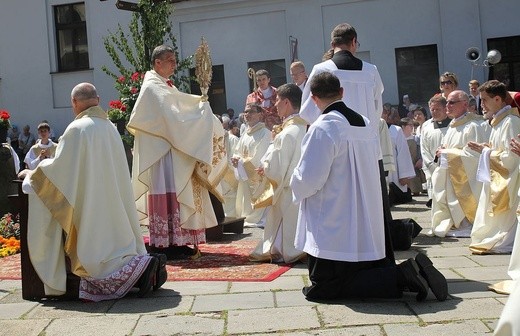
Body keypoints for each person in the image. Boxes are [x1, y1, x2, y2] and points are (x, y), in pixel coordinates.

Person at [290, 72, 447, 302]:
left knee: (324, 288)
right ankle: (403, 274)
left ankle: (402, 276)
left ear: (313, 99)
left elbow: (309, 178)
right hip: (365, 214)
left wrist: (294, 184)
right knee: (358, 269)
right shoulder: (365, 122)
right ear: (342, 92)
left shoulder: (323, 127)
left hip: (333, 218)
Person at [18, 83, 166, 301]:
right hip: (113, 201)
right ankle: (140, 267)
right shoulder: (110, 128)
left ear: (75, 103)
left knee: (95, 257)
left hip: (91, 205)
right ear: (97, 100)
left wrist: (32, 176)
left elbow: (60, 170)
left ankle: (130, 272)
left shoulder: (77, 129)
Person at [299, 22, 394, 263]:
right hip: (367, 148)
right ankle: (375, 259)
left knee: (336, 203)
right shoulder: (371, 70)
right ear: (354, 43)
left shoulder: (322, 68)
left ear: (332, 45)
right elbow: (376, 110)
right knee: (371, 205)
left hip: (333, 146)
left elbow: (308, 112)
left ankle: (337, 261)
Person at [128, 45, 227, 260]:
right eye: (170, 60)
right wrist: (198, 109)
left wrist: (201, 106)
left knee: (180, 193)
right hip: (161, 155)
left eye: (174, 59)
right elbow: (172, 114)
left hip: (172, 152)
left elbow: (178, 108)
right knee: (170, 192)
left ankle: (180, 241)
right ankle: (165, 244)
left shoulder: (165, 85)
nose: (174, 64)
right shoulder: (152, 86)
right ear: (157, 63)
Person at [249, 84, 307, 263]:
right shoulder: (308, 127)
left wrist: (265, 167)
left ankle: (285, 250)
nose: (275, 105)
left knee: (283, 226)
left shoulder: (286, 133)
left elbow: (276, 168)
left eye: (278, 101)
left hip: (287, 189)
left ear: (287, 102)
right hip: (306, 187)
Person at [467, 80, 520, 255]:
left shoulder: (511, 122)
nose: (481, 105)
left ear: (498, 99)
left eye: (484, 100)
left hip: (509, 181)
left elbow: (511, 159)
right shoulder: (499, 122)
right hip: (498, 178)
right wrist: (487, 149)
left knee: (503, 230)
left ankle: (506, 240)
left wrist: (487, 151)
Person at [428, 90, 490, 238]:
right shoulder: (453, 125)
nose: (447, 105)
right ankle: (454, 223)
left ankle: (468, 223)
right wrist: (442, 151)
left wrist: (448, 153)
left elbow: (475, 155)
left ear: (464, 104)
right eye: (447, 102)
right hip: (451, 173)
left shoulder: (474, 125)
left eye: (451, 102)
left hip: (467, 178)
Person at [231, 103, 271, 227]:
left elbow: (260, 155)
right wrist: (236, 159)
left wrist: (242, 162)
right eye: (246, 112)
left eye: (251, 112)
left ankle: (256, 217)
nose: (247, 114)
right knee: (244, 197)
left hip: (256, 174)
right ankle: (246, 216)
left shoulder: (265, 133)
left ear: (260, 114)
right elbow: (237, 151)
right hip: (245, 173)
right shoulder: (245, 134)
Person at [421, 95, 451, 208]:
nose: (434, 112)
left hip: (451, 169)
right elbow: (424, 150)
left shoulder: (454, 125)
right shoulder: (426, 126)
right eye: (432, 109)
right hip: (433, 170)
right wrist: (433, 167)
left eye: (437, 109)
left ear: (445, 108)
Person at [400, 118, 425, 196]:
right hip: (403, 165)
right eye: (410, 125)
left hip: (414, 164)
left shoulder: (415, 138)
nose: (412, 127)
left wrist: (420, 159)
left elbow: (421, 150)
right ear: (403, 126)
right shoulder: (399, 138)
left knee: (416, 188)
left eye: (412, 125)